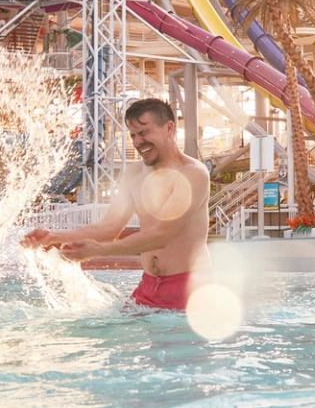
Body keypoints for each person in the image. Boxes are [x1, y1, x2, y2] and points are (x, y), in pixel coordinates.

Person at [22, 98, 210, 312]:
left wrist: (99, 251)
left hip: (189, 287)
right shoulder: (133, 174)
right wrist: (55, 237)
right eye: (133, 135)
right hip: (148, 287)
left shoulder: (193, 174)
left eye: (145, 132)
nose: (139, 142)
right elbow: (108, 228)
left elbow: (162, 235)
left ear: (169, 128)